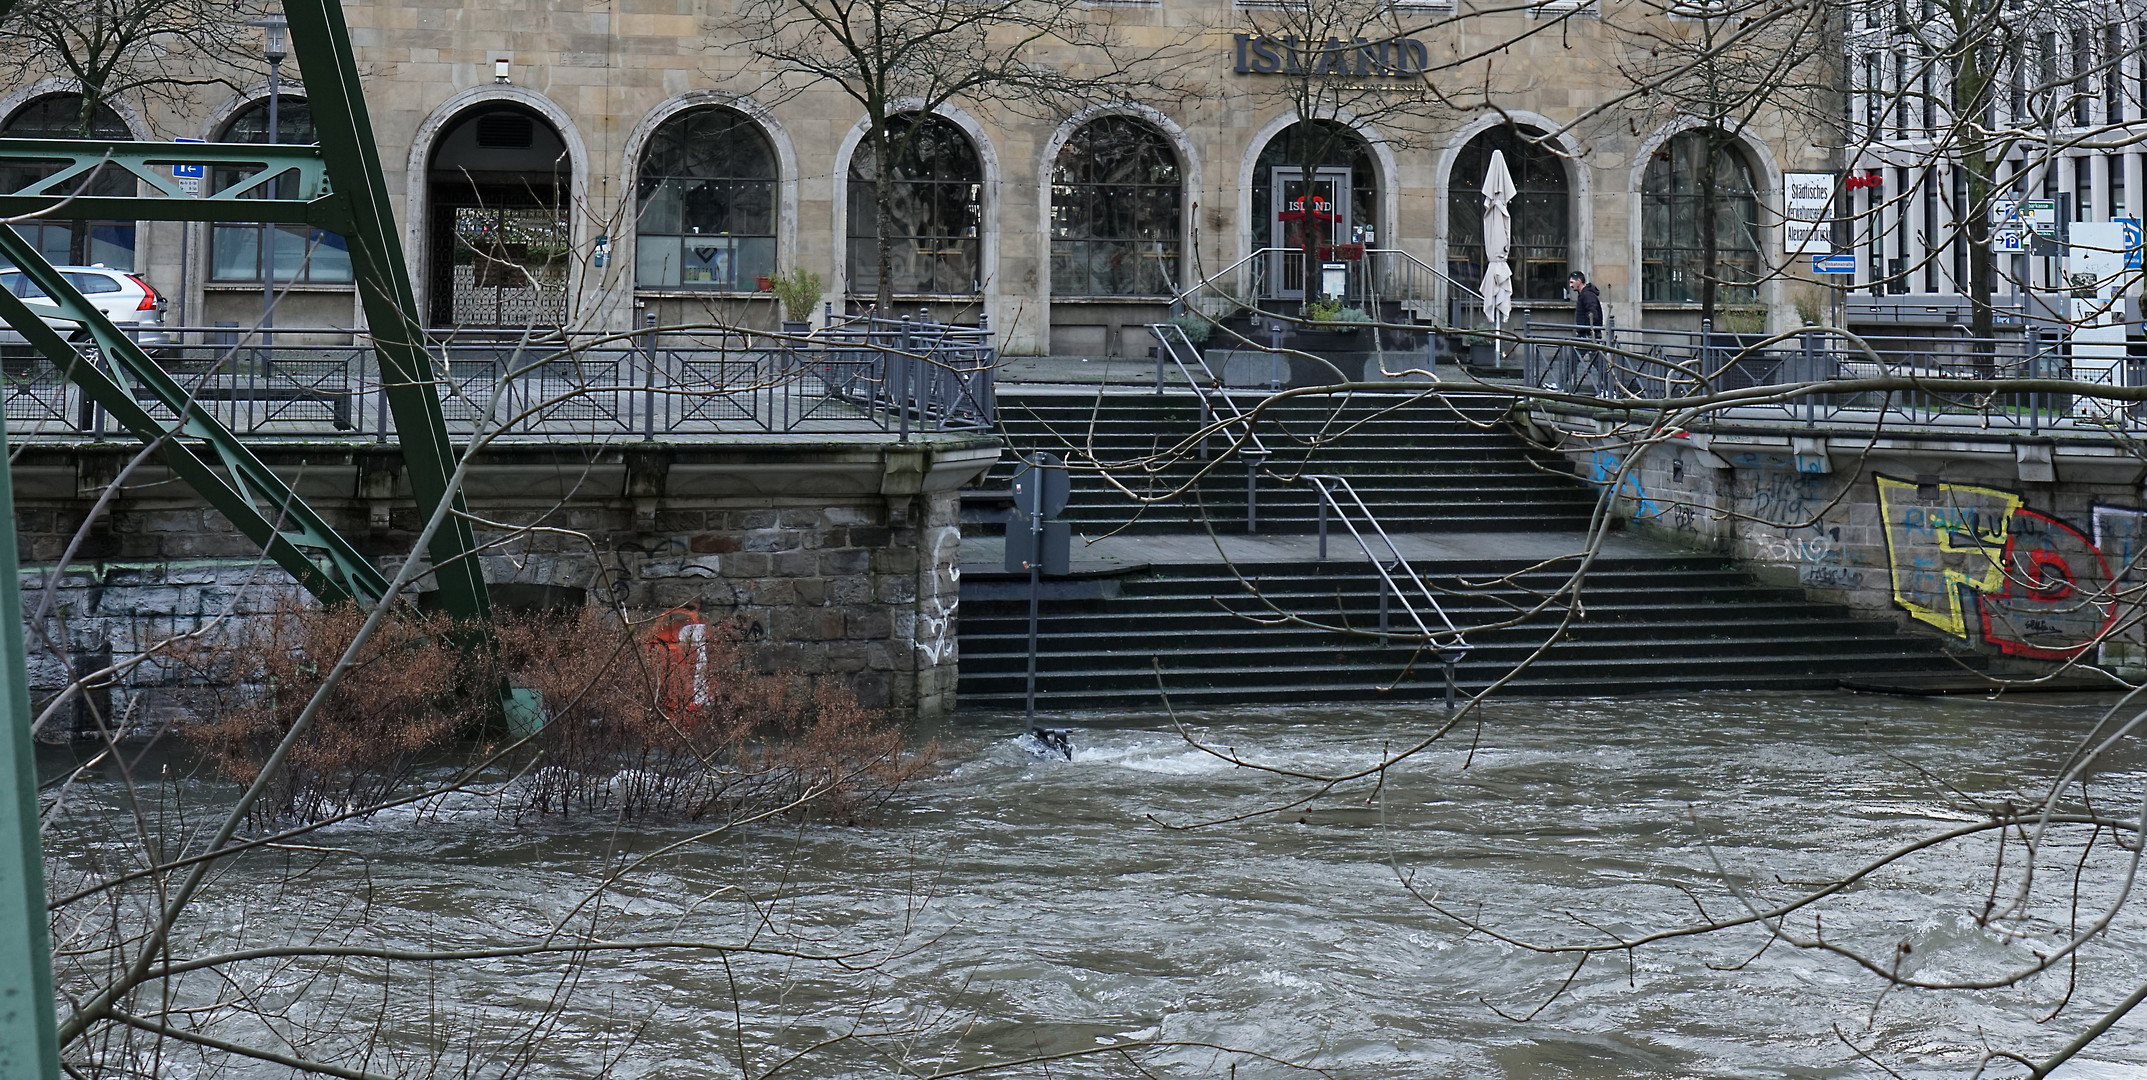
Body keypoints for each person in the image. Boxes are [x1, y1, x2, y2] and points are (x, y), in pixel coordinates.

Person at [1567, 270, 1606, 394]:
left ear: (1579, 281)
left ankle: (1611, 388)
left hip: (1588, 335)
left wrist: (1590, 328)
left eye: (1572, 282)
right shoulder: (1584, 294)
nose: (1570, 285)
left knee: (1576, 361)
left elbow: (1592, 311)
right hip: (1587, 334)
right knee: (1594, 363)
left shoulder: (1587, 295)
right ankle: (1611, 388)